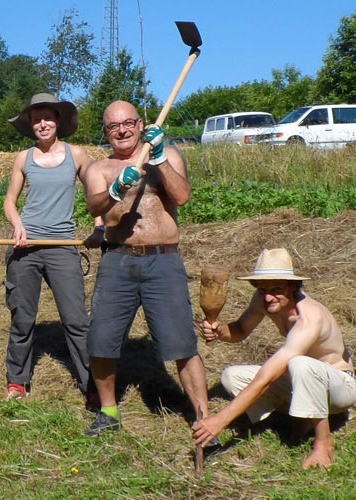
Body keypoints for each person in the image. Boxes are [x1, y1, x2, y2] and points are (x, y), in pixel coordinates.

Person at [79, 100, 209, 437]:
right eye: (112, 126)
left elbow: (181, 196)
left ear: (139, 125)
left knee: (182, 343)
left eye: (128, 123)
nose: (121, 130)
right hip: (117, 259)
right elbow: (93, 204)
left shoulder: (167, 155)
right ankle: (108, 411)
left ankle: (202, 417)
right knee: (102, 340)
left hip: (163, 260)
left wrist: (161, 158)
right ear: (106, 132)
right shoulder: (99, 168)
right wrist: (115, 188)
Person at [190, 248, 356, 469]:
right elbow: (240, 330)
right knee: (232, 377)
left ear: (293, 286)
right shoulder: (263, 299)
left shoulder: (309, 317)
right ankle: (303, 418)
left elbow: (269, 377)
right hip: (306, 379)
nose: (268, 296)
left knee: (299, 364)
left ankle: (324, 444)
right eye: (262, 289)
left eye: (277, 289)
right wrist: (219, 331)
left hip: (339, 388)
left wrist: (220, 419)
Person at [0, 93, 94, 402]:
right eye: (36, 118)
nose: (42, 123)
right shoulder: (23, 159)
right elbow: (9, 201)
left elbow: (98, 192)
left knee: (77, 319)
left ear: (58, 121)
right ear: (31, 124)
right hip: (25, 247)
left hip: (62, 244)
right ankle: (17, 381)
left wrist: (102, 224)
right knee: (23, 318)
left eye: (48, 117)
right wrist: (18, 225)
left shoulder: (77, 155)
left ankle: (91, 383)